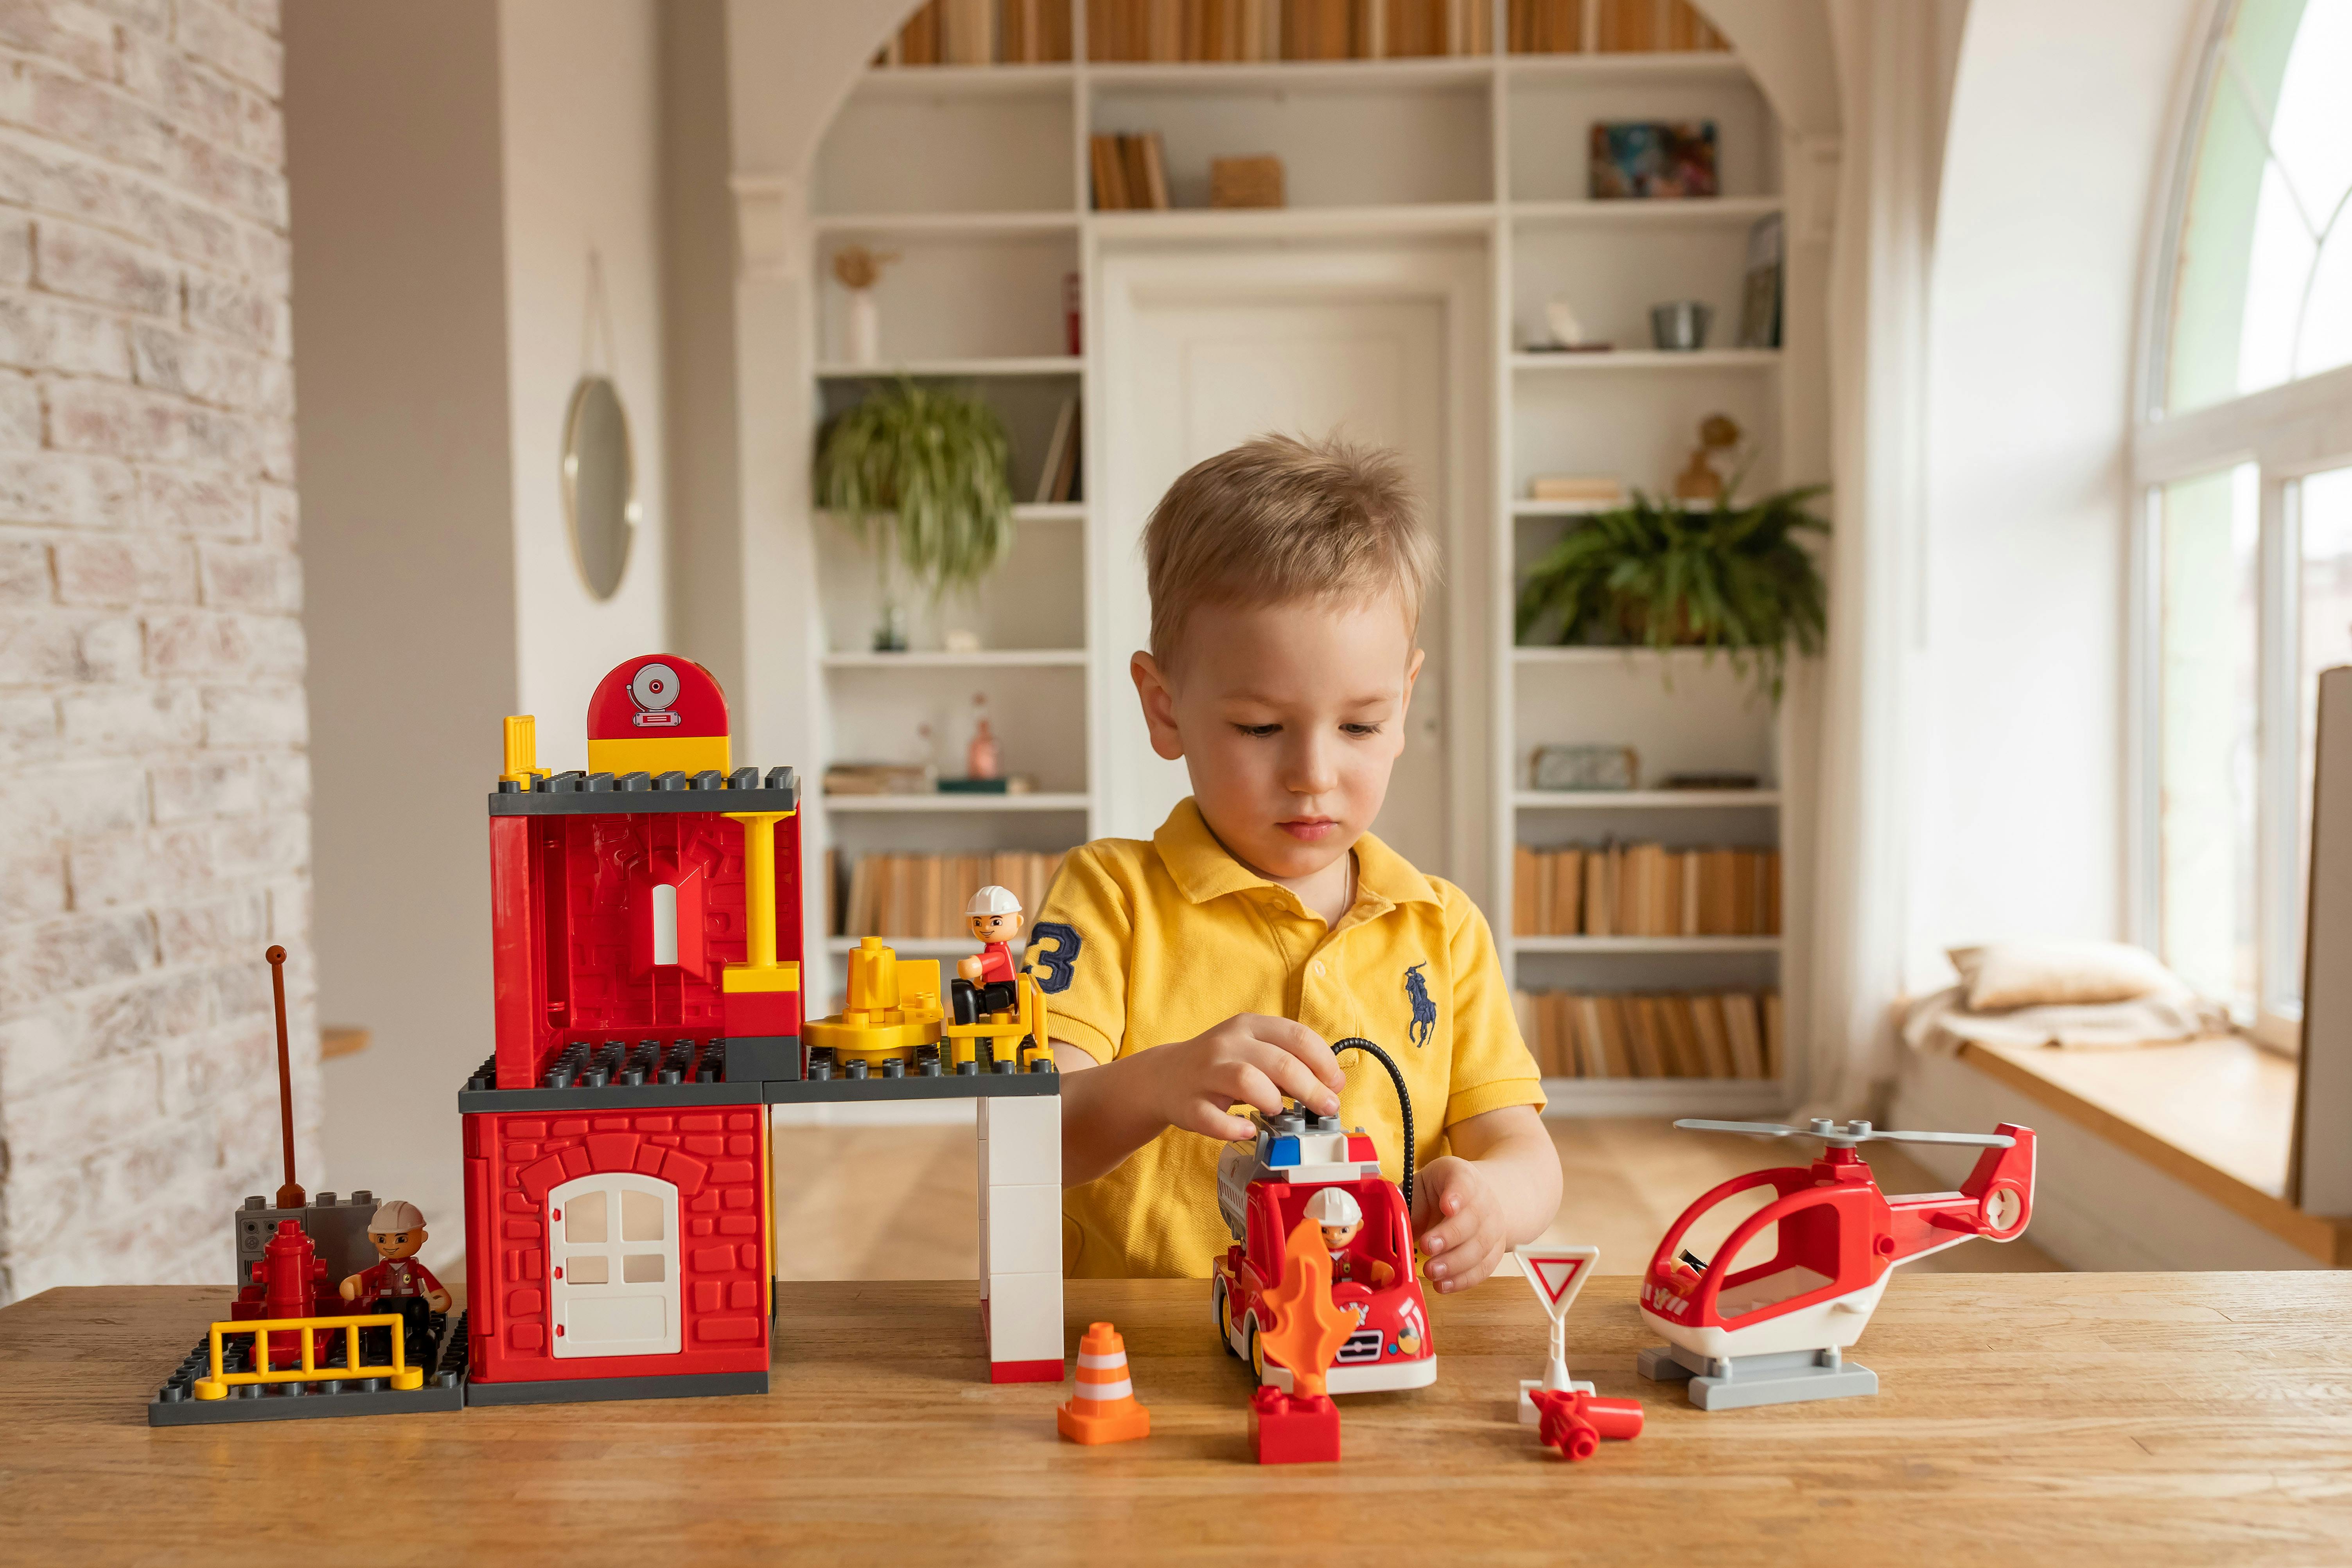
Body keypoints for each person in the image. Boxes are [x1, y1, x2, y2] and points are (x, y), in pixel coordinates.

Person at [1038, 433, 1560, 1290]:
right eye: (1259, 728)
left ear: (1402, 707)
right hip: (1143, 1351)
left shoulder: (1443, 928)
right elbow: (1037, 1136)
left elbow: (1523, 1147)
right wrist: (1160, 1080)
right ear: (1164, 709)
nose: (1313, 774)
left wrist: (1494, 1198)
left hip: (1364, 1336)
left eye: (1358, 725)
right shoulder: (1109, 896)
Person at [338, 1199, 452, 1364]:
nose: (391, 1245)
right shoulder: (381, 1268)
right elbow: (364, 1277)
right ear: (373, 1238)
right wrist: (351, 1284)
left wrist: (439, 1294)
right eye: (383, 1240)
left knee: (420, 1309)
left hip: (411, 1301)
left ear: (422, 1237)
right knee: (378, 1310)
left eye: (401, 1239)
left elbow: (429, 1279)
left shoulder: (415, 1267)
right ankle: (383, 1340)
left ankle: (420, 1337)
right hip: (387, 1303)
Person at [952, 884, 1024, 1026]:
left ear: (1018, 922)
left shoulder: (1000, 952)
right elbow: (988, 971)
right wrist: (978, 984)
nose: (986, 928)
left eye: (996, 922)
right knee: (966, 992)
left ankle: (967, 1027)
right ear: (970, 923)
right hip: (996, 988)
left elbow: (987, 963)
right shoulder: (991, 948)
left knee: (968, 998)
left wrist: (973, 965)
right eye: (978, 922)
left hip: (1004, 992)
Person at [1304, 1187, 1393, 1288]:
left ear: (1359, 1226)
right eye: (1324, 1230)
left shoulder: (1350, 1255)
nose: (1334, 1236)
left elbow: (1365, 1264)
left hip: (1349, 1290)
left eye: (1344, 1230)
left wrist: (1379, 1268)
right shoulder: (1315, 1255)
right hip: (1322, 1292)